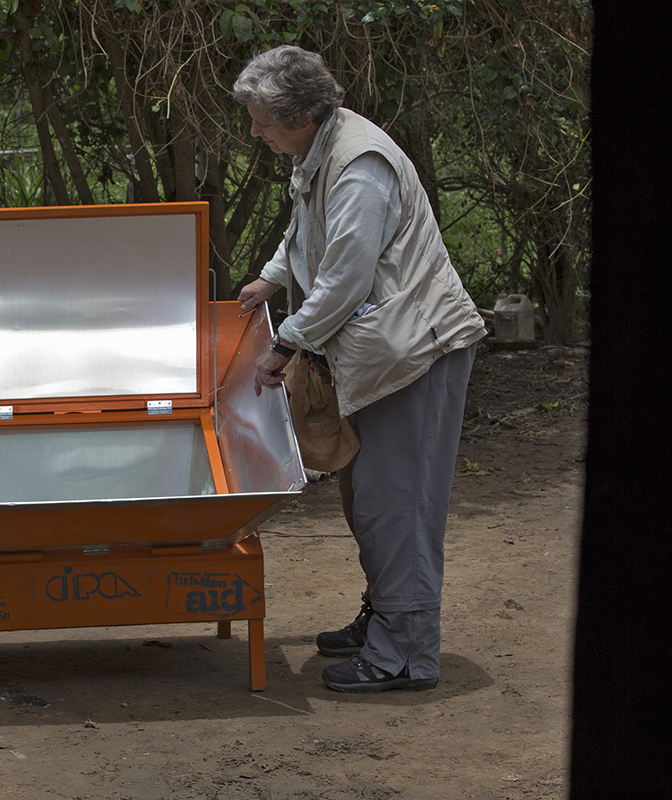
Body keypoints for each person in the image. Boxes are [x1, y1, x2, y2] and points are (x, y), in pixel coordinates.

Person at [232, 46, 486, 692]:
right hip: (379, 353)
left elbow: (347, 272)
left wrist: (286, 343)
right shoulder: (321, 152)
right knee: (364, 495)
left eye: (263, 121)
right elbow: (308, 233)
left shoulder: (359, 166)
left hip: (415, 354)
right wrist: (272, 277)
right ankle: (386, 616)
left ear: (305, 115)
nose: (255, 132)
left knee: (395, 502)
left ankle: (403, 652)